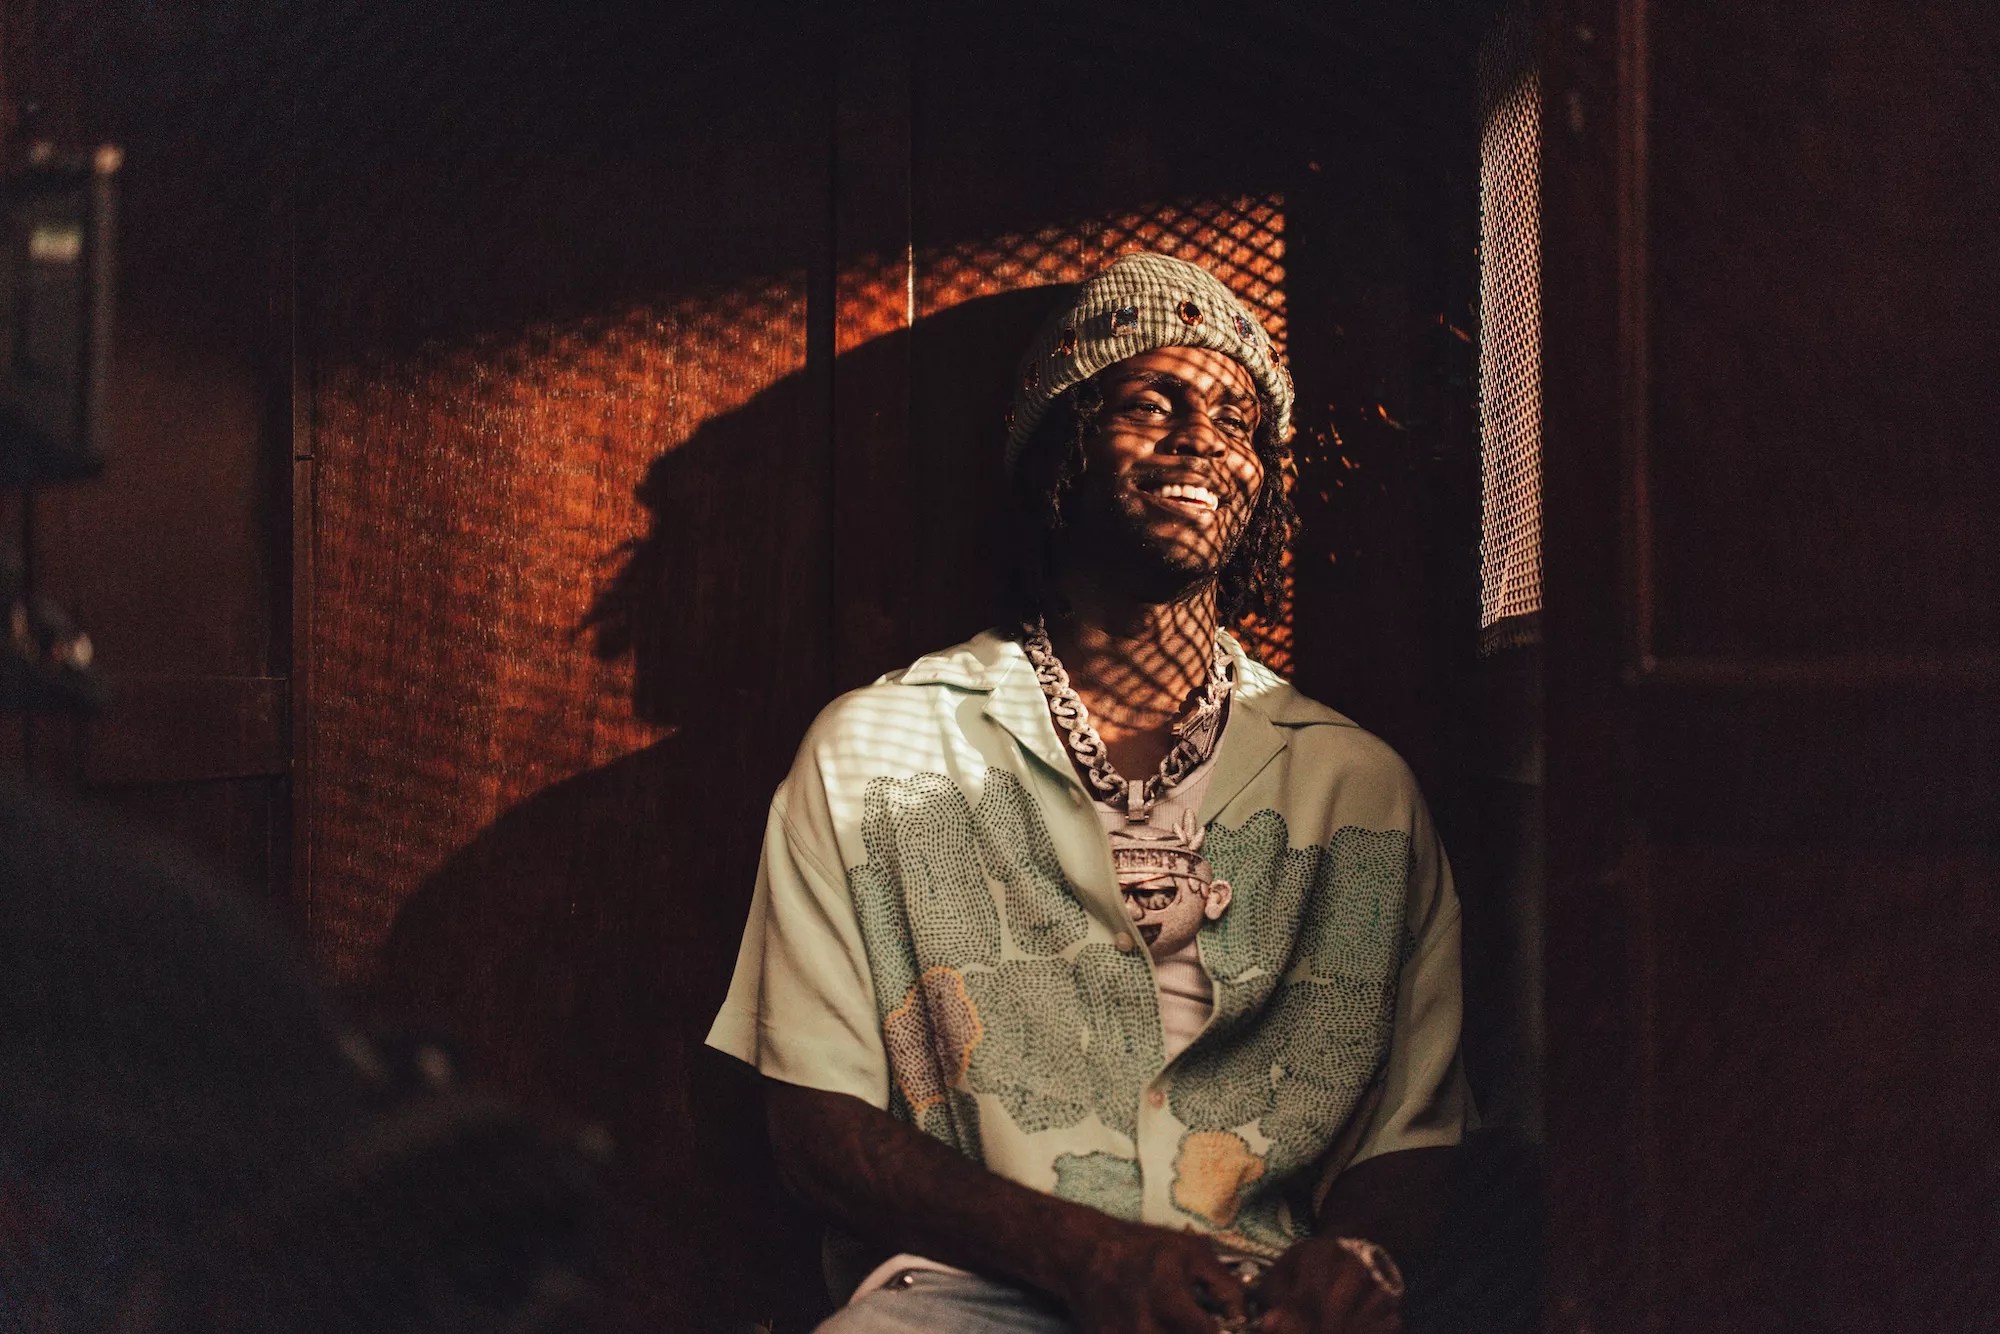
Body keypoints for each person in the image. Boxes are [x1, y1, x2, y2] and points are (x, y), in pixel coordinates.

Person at [707, 252, 1471, 1334]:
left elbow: (1410, 1136)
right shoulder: (877, 749)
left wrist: (1352, 1260)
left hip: (1256, 1308)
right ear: (1058, 439)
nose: (1199, 435)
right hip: (964, 1299)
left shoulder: (1357, 789)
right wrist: (1083, 1252)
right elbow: (814, 1124)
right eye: (1149, 400)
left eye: (1237, 417)